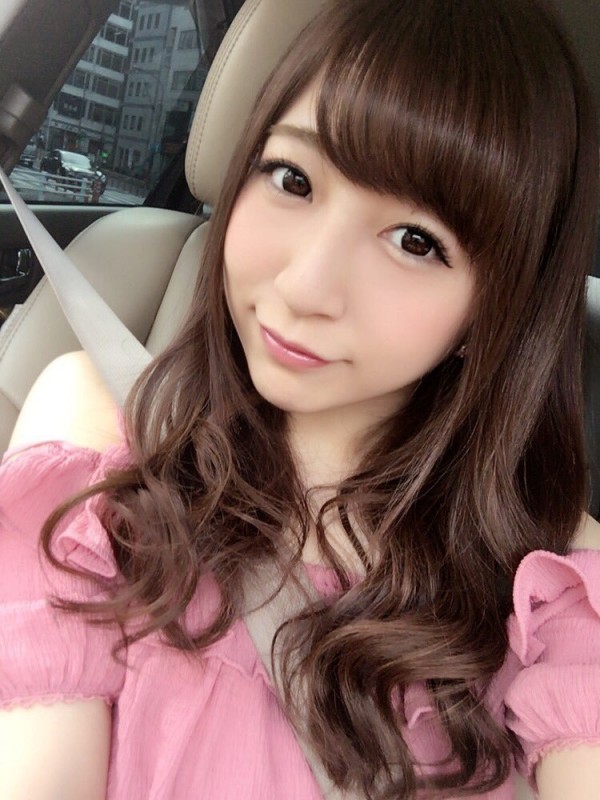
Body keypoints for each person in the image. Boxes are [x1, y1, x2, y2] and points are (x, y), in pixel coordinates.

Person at [1, 0, 599, 797]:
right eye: (293, 179)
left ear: (494, 310)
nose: (305, 286)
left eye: (416, 242)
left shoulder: (552, 580)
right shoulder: (99, 430)